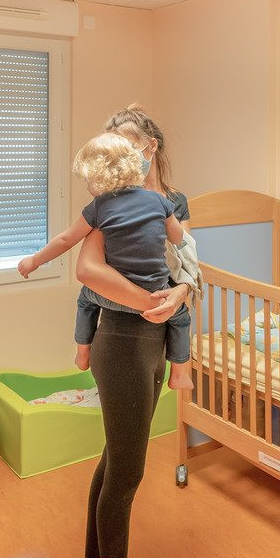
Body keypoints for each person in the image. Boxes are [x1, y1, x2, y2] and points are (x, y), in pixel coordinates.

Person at [68, 105, 197, 558]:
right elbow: (88, 271)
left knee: (115, 458)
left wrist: (181, 293)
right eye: (112, 144)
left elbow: (188, 269)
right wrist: (153, 300)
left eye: (128, 144)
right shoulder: (110, 203)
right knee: (127, 471)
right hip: (121, 340)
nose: (119, 155)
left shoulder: (173, 202)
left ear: (149, 148)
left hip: (154, 342)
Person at [17, 132, 194, 392]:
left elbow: (66, 240)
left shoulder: (99, 207)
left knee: (86, 299)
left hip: (114, 298)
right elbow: (179, 237)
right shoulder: (159, 200)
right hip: (158, 295)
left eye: (88, 179)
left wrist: (34, 260)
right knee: (180, 315)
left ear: (100, 175)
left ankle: (83, 351)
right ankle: (178, 373)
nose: (88, 185)